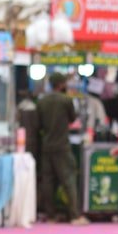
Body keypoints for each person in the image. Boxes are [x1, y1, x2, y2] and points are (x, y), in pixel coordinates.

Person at [37, 72, 88, 225]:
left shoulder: (42, 101)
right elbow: (73, 119)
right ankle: (74, 215)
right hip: (62, 146)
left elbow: (39, 124)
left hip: (46, 146)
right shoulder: (66, 100)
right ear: (61, 84)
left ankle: (50, 215)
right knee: (69, 180)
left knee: (48, 182)